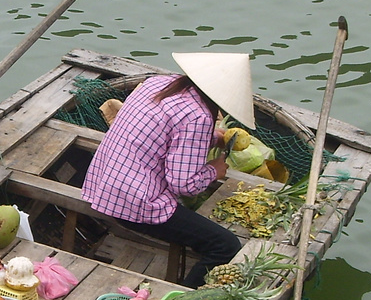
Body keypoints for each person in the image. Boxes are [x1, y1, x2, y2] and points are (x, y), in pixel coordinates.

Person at [82, 52, 256, 287]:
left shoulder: (158, 83)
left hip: (102, 185)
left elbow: (167, 131)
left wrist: (214, 138)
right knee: (225, 245)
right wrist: (215, 171)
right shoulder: (198, 116)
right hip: (135, 203)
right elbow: (183, 185)